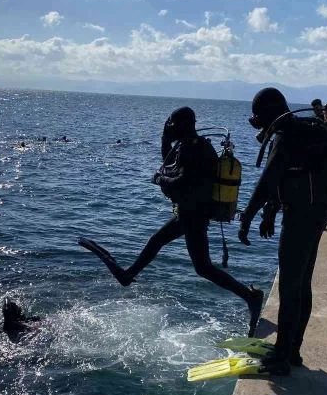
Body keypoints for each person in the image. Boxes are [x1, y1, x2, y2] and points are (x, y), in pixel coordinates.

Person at [78, 106, 264, 336]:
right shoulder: (192, 146)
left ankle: (250, 296)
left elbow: (180, 179)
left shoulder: (192, 149)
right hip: (193, 212)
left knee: (185, 256)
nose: (169, 127)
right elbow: (169, 163)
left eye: (171, 124)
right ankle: (129, 274)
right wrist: (164, 138)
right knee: (194, 262)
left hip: (193, 213)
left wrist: (159, 179)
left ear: (182, 125)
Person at [238, 88, 327, 374]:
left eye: (257, 114)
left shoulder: (285, 136)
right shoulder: (307, 132)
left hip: (300, 220)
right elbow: (289, 177)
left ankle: (282, 356)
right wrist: (270, 212)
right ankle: (293, 350)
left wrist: (247, 217)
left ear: (268, 112)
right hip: (316, 216)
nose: (255, 120)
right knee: (301, 284)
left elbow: (268, 180)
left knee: (290, 287)